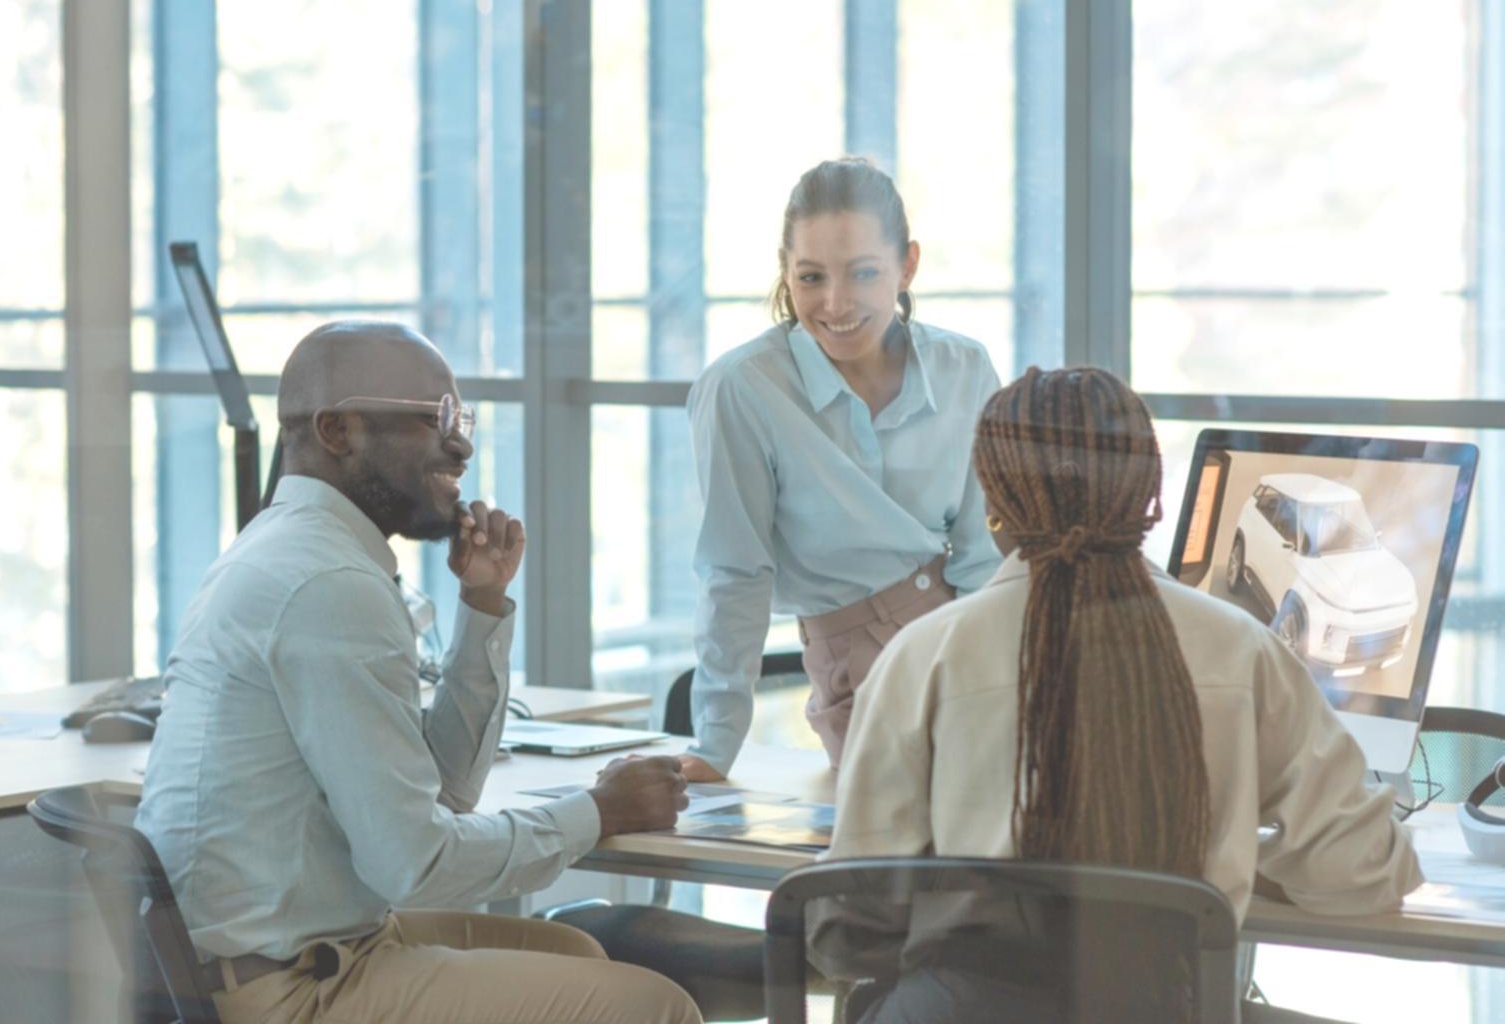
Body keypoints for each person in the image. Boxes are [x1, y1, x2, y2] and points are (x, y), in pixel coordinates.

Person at [815, 367, 1422, 1023]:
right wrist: (1239, 843)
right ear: (1148, 493)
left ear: (994, 504)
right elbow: (1361, 879)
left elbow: (845, 929)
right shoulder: (1242, 650)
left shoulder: (925, 653)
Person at [135, 321, 701, 1024]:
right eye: (435, 419)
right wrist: (599, 811)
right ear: (337, 431)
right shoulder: (329, 582)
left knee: (577, 956)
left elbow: (446, 797)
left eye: (460, 418)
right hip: (288, 990)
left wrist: (483, 604)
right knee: (656, 1007)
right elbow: (418, 866)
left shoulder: (288, 550)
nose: (461, 443)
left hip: (289, 952)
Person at [683, 157, 1003, 780]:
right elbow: (735, 571)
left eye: (863, 273)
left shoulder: (965, 368)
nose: (835, 304)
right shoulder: (743, 389)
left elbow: (982, 556)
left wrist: (1004, 684)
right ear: (785, 270)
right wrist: (713, 747)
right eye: (810, 277)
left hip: (971, 641)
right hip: (854, 663)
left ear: (907, 264)